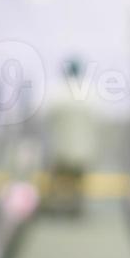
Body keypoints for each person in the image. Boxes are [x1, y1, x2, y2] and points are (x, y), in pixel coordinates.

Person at [45, 57, 97, 214]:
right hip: (82, 150)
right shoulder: (89, 94)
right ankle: (76, 207)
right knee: (78, 183)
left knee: (60, 183)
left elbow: (49, 121)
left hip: (61, 149)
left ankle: (60, 207)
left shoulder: (57, 95)